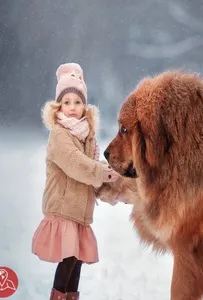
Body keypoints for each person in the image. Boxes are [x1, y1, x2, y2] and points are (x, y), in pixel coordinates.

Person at [31, 62, 120, 300]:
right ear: (59, 106)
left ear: (85, 106)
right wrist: (101, 173)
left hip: (80, 211)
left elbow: (92, 163)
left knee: (77, 262)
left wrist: (111, 175)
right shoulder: (59, 135)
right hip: (63, 208)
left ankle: (70, 296)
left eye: (77, 102)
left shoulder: (85, 134)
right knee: (68, 260)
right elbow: (75, 164)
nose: (72, 108)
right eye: (67, 102)